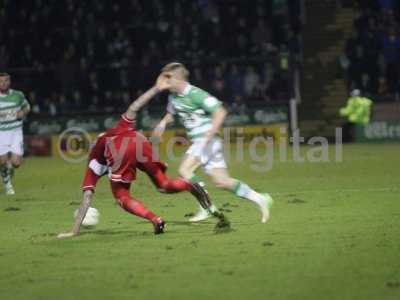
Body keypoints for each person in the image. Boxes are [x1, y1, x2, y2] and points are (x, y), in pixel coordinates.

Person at [58, 75, 215, 239]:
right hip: (139, 140)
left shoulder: (93, 162)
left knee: (121, 196)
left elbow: (87, 197)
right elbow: (134, 107)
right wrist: (156, 88)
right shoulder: (117, 128)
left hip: (121, 152)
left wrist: (74, 230)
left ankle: (156, 219)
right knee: (163, 184)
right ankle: (189, 185)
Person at [152, 63, 273, 223]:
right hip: (203, 142)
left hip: (206, 139)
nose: (165, 82)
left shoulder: (196, 94)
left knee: (184, 169)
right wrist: (162, 123)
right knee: (221, 181)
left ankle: (206, 207)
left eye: (168, 78)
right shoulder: (173, 97)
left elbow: (220, 111)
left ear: (178, 78)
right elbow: (171, 113)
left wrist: (209, 134)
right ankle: (261, 199)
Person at [0, 73, 30, 195]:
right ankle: (7, 184)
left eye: (5, 81)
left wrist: (23, 112)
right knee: (2, 161)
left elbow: (27, 107)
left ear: (9, 82)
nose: (3, 83)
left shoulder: (18, 95)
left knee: (16, 163)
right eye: (0, 81)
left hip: (16, 132)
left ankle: (10, 169)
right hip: (1, 133)